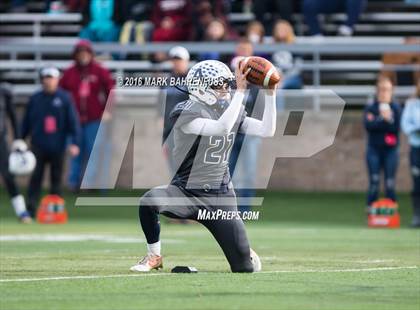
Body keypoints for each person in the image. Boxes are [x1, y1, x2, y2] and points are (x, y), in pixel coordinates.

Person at [130, 60, 279, 273]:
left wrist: (271, 93)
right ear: (202, 88)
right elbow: (221, 127)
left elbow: (267, 130)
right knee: (149, 201)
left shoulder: (229, 107)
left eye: (227, 84)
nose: (226, 88)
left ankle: (242, 250)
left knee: (245, 268)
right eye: (220, 84)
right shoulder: (185, 110)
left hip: (221, 197)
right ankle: (154, 256)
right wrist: (240, 93)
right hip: (186, 192)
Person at [22, 67, 80, 217]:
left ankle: (55, 212)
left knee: (56, 180)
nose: (48, 81)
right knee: (35, 179)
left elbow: (73, 122)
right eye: (46, 77)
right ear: (42, 79)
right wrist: (20, 140)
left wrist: (75, 142)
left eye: (51, 78)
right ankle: (31, 210)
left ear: (57, 79)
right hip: (38, 146)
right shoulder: (35, 99)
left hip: (58, 146)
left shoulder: (65, 98)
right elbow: (26, 122)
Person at [59, 40, 114, 190]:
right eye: (80, 53)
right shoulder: (69, 73)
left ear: (90, 54)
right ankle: (73, 183)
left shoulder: (99, 71)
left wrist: (107, 110)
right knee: (75, 151)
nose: (83, 56)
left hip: (94, 119)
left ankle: (90, 184)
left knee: (93, 151)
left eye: (85, 53)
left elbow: (111, 90)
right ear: (75, 55)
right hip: (73, 120)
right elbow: (61, 94)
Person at [229, 39, 264, 213]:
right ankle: (228, 208)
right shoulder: (227, 86)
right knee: (228, 173)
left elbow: (260, 108)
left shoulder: (256, 84)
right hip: (231, 132)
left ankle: (245, 209)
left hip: (249, 133)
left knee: (248, 174)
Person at [364, 76, 402, 208]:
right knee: (374, 181)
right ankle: (370, 210)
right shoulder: (371, 107)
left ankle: (391, 211)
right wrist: (382, 119)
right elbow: (369, 126)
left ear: (392, 91)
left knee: (390, 182)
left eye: (387, 90)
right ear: (377, 90)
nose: (384, 92)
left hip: (391, 150)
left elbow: (396, 128)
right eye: (381, 89)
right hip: (373, 150)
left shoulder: (396, 108)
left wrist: (386, 121)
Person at [0, 83, 31, 223]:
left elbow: (13, 117)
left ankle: (21, 212)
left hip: (1, 140)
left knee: (8, 174)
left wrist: (18, 139)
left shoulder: (3, 92)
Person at [159, 46, 190, 174]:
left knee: (186, 164)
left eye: (179, 60)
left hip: (186, 129)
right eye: (174, 60)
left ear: (186, 61)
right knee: (172, 164)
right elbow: (160, 102)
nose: (176, 63)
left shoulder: (192, 81)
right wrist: (159, 118)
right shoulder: (166, 80)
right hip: (169, 128)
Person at [401, 79, 420, 227]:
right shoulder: (412, 104)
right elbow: (405, 124)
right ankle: (417, 215)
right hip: (416, 148)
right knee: (417, 183)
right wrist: (415, 129)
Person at [272, 20, 303, 90]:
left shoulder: (295, 46)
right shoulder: (271, 46)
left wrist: (284, 77)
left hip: (292, 77)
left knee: (280, 85)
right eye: (278, 29)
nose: (280, 31)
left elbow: (298, 67)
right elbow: (270, 64)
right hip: (275, 77)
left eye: (283, 29)